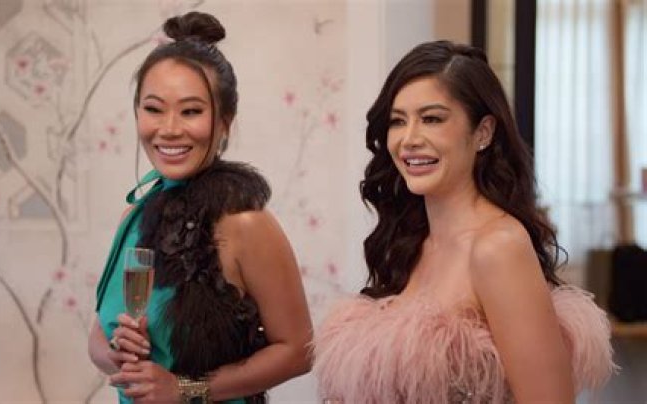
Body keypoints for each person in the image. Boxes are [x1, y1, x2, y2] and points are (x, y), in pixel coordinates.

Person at [312, 40, 615, 403]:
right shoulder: (408, 242)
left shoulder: (498, 246)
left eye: (432, 119)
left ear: (483, 132)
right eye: (397, 121)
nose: (409, 139)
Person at [88, 12, 312, 404]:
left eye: (191, 111)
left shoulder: (246, 223)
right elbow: (96, 341)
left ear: (224, 122)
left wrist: (184, 389)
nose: (169, 129)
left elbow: (298, 351)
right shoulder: (133, 216)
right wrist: (121, 353)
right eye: (153, 109)